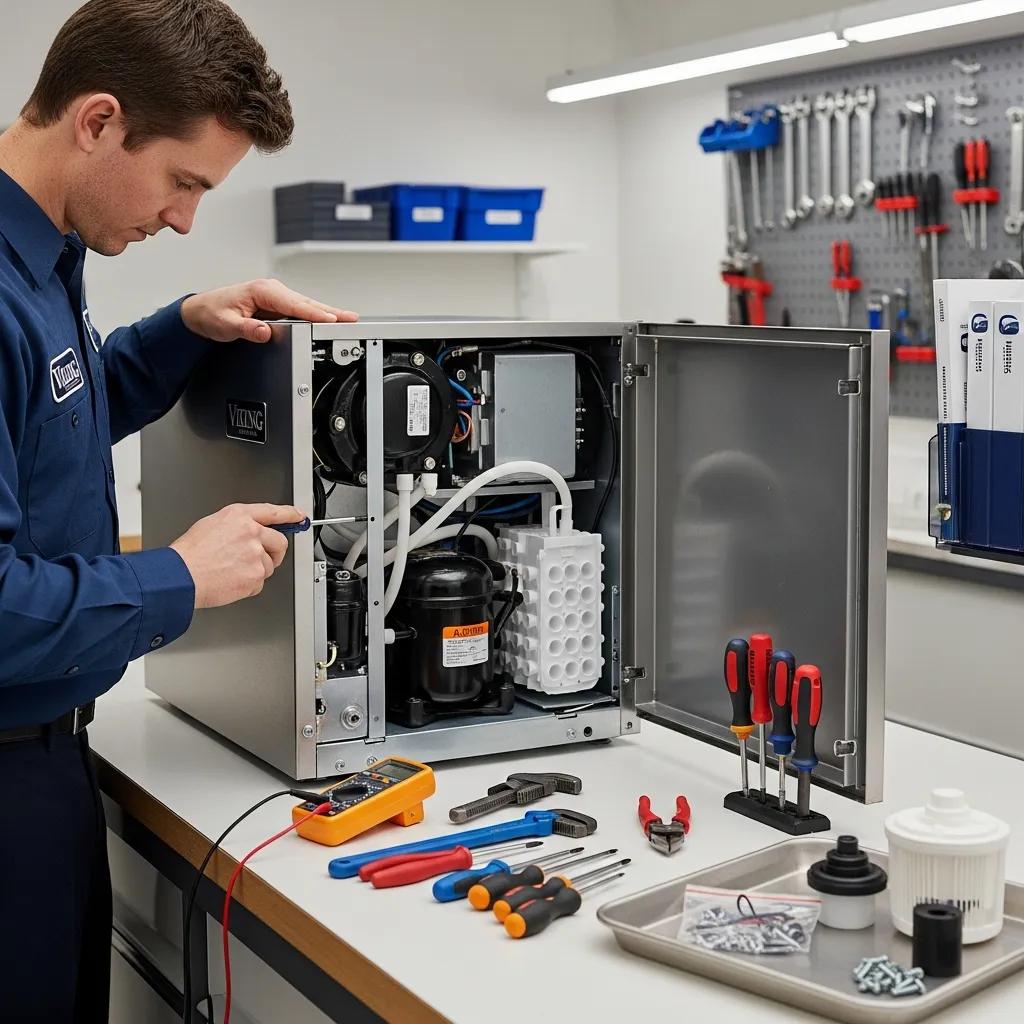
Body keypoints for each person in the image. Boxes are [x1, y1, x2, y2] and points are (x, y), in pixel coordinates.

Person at [0, 2, 358, 1019]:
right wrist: (181, 575)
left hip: (55, 756)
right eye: (185, 182)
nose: (185, 217)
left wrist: (180, 329)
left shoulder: (42, 258)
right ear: (99, 120)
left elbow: (51, 419)